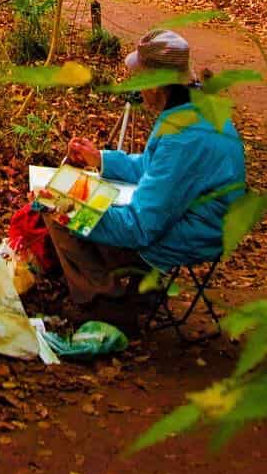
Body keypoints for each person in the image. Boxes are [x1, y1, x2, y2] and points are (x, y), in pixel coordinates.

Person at [46, 28, 245, 315]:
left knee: (57, 208)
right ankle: (122, 288)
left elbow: (140, 228)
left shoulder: (183, 135)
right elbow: (154, 168)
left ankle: (106, 304)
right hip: (197, 221)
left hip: (191, 235)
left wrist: (70, 202)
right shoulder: (194, 111)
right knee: (70, 196)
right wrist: (99, 159)